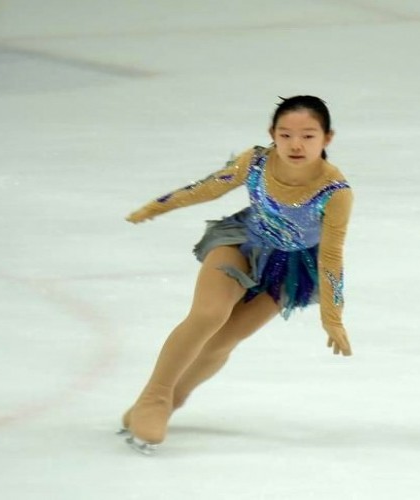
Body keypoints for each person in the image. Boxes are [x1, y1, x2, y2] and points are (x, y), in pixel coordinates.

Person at [120, 95, 354, 454]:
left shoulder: (335, 191)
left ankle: (171, 402)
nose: (295, 144)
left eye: (308, 136)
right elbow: (208, 187)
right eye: (286, 134)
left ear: (327, 138)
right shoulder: (256, 161)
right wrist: (158, 205)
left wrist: (332, 317)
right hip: (241, 242)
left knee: (221, 340)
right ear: (271, 133)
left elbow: (331, 254)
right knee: (208, 315)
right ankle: (154, 397)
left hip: (289, 267)